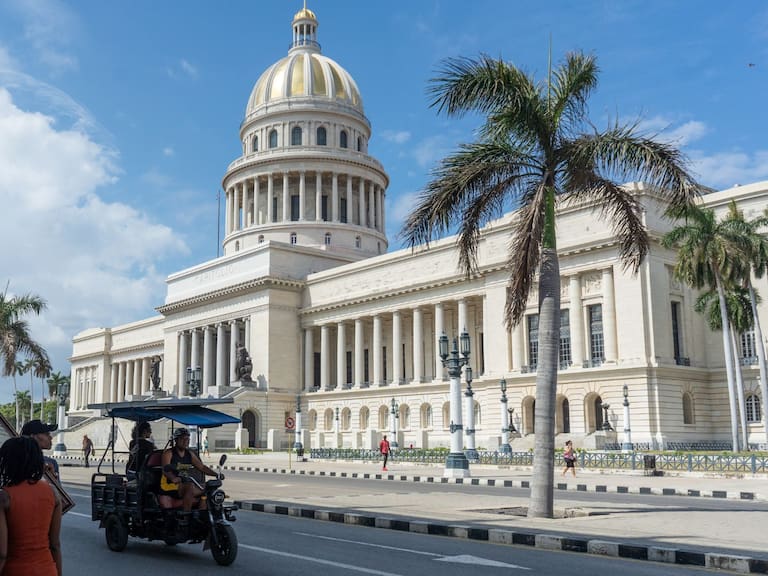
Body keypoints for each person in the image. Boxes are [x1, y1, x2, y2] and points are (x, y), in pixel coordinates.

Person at [0, 436, 62, 576]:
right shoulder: (52, 492)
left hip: (15, 570)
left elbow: (2, 553)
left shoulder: (4, 497)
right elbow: (55, 545)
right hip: (47, 570)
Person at [159, 428, 221, 512]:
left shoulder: (189, 454)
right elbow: (165, 470)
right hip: (170, 484)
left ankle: (203, 514)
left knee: (209, 487)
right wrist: (173, 478)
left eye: (187, 439)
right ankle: (186, 515)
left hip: (186, 482)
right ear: (176, 440)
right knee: (190, 487)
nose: (186, 441)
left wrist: (216, 474)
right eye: (182, 439)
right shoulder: (169, 453)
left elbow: (202, 467)